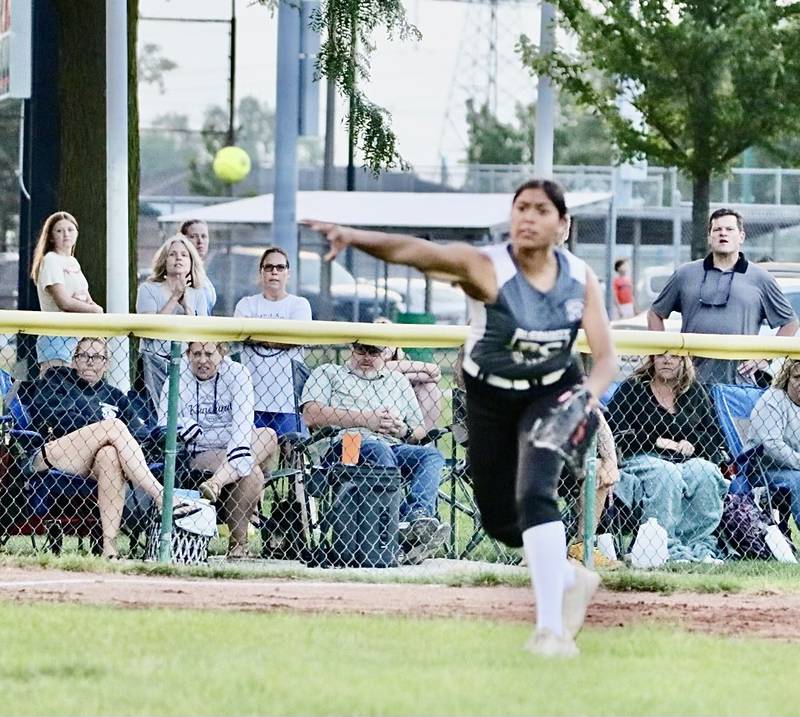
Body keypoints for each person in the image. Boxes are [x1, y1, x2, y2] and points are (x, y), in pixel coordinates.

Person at [305, 177, 617, 658]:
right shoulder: (487, 266)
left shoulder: (580, 278)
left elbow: (606, 360)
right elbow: (417, 252)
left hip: (550, 394)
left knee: (536, 490)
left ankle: (551, 630)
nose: (528, 217)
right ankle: (568, 576)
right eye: (520, 208)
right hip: (490, 396)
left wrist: (583, 399)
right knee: (500, 521)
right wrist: (353, 236)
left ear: (563, 225)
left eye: (540, 210)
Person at [26, 337, 195, 559]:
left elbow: (139, 433)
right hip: (53, 455)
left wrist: (108, 436)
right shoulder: (56, 380)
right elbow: (53, 417)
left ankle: (109, 548)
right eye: (83, 356)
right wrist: (102, 428)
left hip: (92, 465)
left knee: (109, 455)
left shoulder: (116, 396)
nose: (90, 362)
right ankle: (162, 496)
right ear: (74, 360)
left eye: (97, 357)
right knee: (113, 426)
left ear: (106, 363)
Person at [300, 340, 449, 564]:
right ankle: (402, 526)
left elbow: (419, 431)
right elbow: (311, 415)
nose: (367, 357)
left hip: (392, 445)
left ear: (386, 353)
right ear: (351, 349)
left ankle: (417, 516)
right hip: (344, 444)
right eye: (361, 350)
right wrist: (367, 419)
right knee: (378, 450)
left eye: (375, 351)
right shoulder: (328, 372)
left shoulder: (397, 381)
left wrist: (403, 429)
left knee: (431, 456)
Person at [648, 208, 798, 385]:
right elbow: (655, 314)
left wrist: (764, 358)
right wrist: (664, 354)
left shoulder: (761, 278)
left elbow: (790, 322)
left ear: (741, 236)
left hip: (738, 384)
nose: (723, 234)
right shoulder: (685, 274)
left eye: (729, 229)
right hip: (689, 384)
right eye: (717, 230)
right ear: (709, 237)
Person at [159, 341, 278, 559]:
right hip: (202, 451)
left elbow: (243, 424)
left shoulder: (238, 373)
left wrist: (233, 458)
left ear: (222, 353)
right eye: (196, 354)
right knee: (251, 472)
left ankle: (216, 483)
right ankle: (238, 545)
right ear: (187, 354)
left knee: (268, 434)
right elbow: (164, 421)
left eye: (208, 354)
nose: (202, 360)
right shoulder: (176, 377)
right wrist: (185, 425)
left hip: (238, 444)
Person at [606, 353, 729, 563]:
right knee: (667, 473)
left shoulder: (695, 391)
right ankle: (665, 546)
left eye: (674, 356)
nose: (667, 360)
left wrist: (693, 444)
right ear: (652, 359)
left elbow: (715, 435)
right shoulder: (633, 389)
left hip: (686, 460)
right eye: (661, 355)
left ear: (684, 361)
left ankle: (698, 546)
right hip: (641, 456)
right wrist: (654, 441)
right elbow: (615, 432)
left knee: (705, 472)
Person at [234, 246, 313, 436]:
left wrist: (257, 337)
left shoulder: (299, 305)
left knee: (292, 453)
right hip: (252, 398)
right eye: (269, 267)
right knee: (258, 453)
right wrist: (283, 337)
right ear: (261, 273)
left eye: (280, 267)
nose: (274, 272)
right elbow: (242, 335)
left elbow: (298, 338)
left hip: (288, 398)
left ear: (288, 273)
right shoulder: (246, 304)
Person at [136, 235, 208, 410]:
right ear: (164, 260)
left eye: (184, 255)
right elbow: (150, 329)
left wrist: (187, 307)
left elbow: (202, 335)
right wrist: (174, 297)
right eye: (173, 254)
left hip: (186, 364)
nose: (178, 258)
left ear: (191, 261)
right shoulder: (148, 289)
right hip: (153, 362)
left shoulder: (199, 292)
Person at [30, 212, 103, 374]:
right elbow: (64, 302)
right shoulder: (50, 260)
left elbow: (86, 298)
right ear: (50, 236)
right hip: (56, 339)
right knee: (57, 392)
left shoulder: (73, 262)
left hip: (78, 340)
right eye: (59, 231)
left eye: (70, 229)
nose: (66, 234)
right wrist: (94, 310)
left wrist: (89, 306)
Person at [749, 358, 800, 534]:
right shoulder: (773, 400)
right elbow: (771, 445)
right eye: (797, 377)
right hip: (762, 469)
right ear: (786, 378)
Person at [374, 316, 444, 431]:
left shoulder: (404, 363)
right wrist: (426, 368)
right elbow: (432, 370)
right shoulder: (376, 364)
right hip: (381, 413)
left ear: (396, 346)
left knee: (430, 387)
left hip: (405, 414)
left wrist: (406, 376)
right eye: (379, 341)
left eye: (389, 340)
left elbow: (435, 376)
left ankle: (423, 435)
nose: (384, 346)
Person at [180, 219, 216, 315]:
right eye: (193, 236)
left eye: (204, 236)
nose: (200, 241)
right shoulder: (182, 274)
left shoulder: (202, 274)